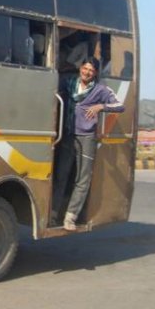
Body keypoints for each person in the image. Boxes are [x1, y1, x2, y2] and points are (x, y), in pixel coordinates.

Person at [52, 57, 125, 231]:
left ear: (95, 73)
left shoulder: (100, 90)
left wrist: (101, 107)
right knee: (62, 174)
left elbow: (120, 105)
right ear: (80, 69)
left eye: (91, 70)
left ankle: (70, 217)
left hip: (87, 137)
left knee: (82, 180)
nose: (87, 72)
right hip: (68, 135)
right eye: (85, 69)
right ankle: (53, 213)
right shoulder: (69, 83)